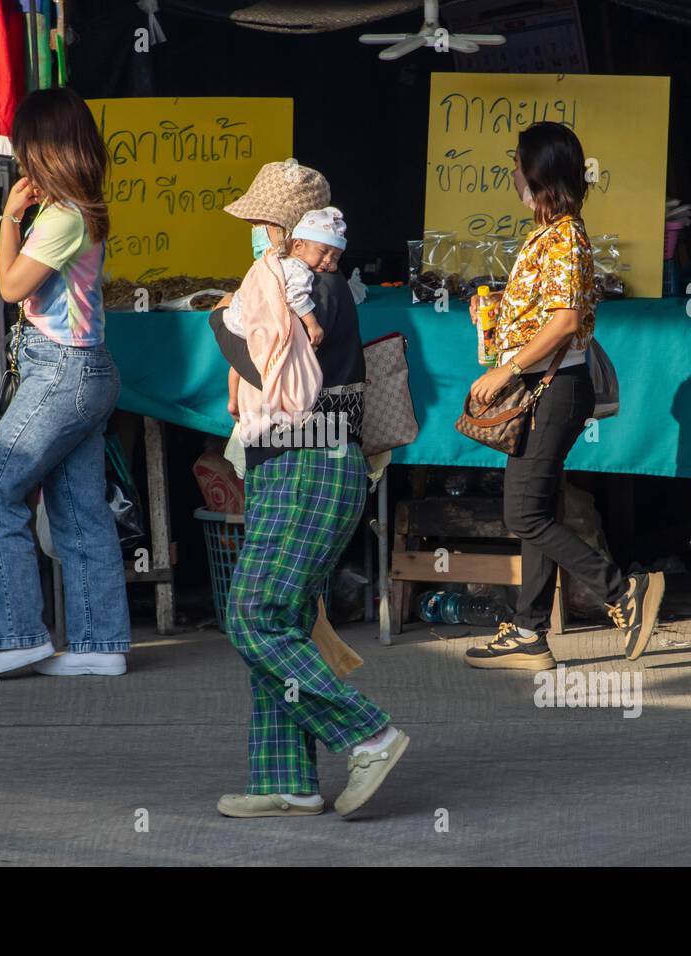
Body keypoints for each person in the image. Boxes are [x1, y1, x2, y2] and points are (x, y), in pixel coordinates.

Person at [208, 160, 408, 818]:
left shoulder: (303, 286)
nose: (257, 234)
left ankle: (368, 734)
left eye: (261, 223)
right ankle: (283, 779)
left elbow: (262, 364)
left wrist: (221, 325)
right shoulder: (323, 283)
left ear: (283, 229)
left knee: (253, 615)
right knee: (285, 621)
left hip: (304, 466)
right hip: (308, 464)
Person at [463, 121, 665, 671]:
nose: (512, 175)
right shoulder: (552, 235)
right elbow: (550, 311)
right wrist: (503, 312)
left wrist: (506, 368)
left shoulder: (564, 237)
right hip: (549, 387)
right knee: (538, 508)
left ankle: (622, 590)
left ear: (537, 175)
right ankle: (529, 631)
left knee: (524, 514)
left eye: (517, 166)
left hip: (551, 389)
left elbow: (565, 321)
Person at [0, 87, 131, 679]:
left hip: (61, 371)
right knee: (80, 509)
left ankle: (18, 636)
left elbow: (10, 286)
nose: (19, 155)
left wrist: (9, 214)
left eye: (23, 145)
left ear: (44, 149)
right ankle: (99, 645)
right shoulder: (79, 209)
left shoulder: (60, 217)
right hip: (83, 369)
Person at [223, 206, 347, 421]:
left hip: (236, 316)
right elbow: (295, 297)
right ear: (298, 245)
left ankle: (233, 401)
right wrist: (312, 324)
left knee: (237, 364)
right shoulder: (298, 270)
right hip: (250, 321)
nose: (328, 261)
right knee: (252, 360)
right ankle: (238, 403)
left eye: (335, 257)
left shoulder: (282, 263)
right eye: (323, 252)